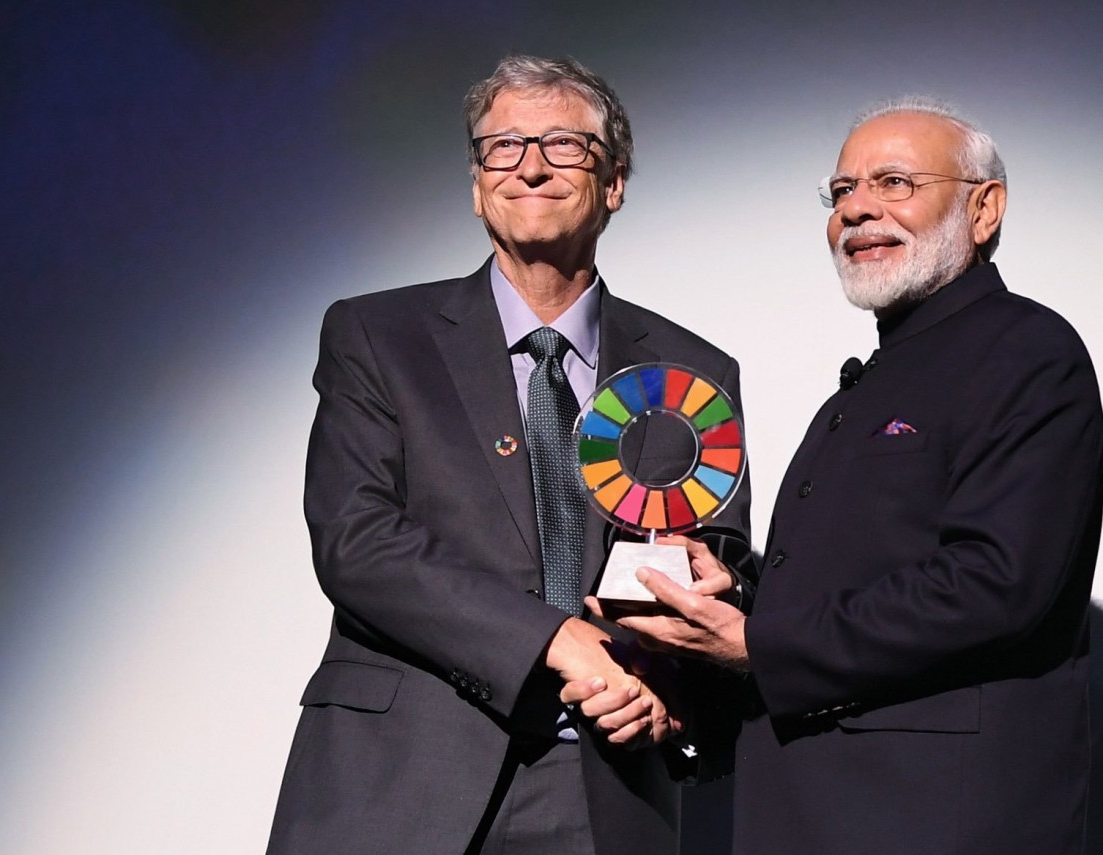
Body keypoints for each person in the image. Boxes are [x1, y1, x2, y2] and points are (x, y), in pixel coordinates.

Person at [267, 55, 751, 855]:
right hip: (401, 780)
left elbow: (710, 563)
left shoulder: (695, 370)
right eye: (502, 147)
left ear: (615, 181)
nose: (530, 164)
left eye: (564, 144)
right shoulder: (378, 338)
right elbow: (356, 540)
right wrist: (554, 640)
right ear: (476, 184)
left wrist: (670, 696)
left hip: (609, 784)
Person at [602, 97, 1103, 854]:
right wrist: (731, 592)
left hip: (933, 818)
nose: (859, 210)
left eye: (895, 182)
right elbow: (854, 578)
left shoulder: (1027, 351)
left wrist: (758, 644)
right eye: (841, 192)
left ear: (984, 208)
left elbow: (997, 580)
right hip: (821, 809)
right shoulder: (870, 383)